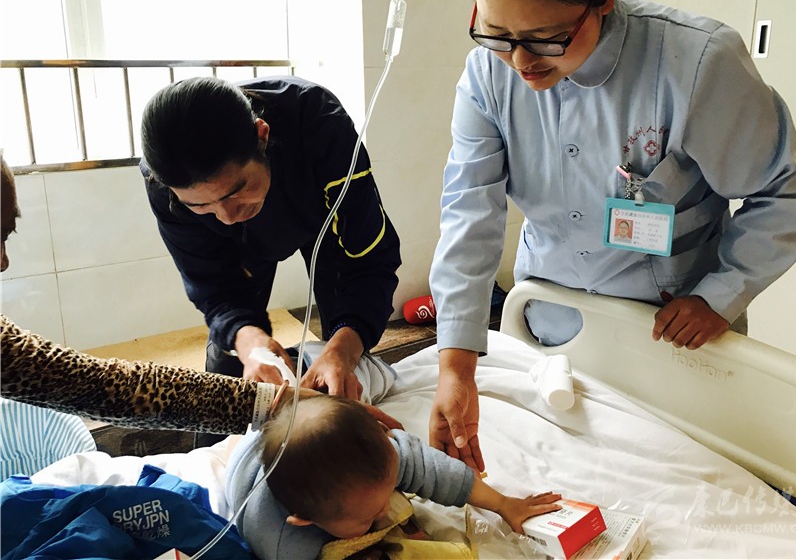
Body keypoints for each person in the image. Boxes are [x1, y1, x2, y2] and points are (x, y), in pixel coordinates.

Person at [428, 0, 796, 472]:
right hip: (552, 327)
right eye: (495, 33)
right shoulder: (488, 76)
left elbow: (782, 189)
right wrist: (456, 366)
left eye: (546, 38)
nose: (520, 62)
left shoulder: (695, 64)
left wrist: (720, 295)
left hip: (672, 338)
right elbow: (469, 213)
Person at [0, 154, 401, 443]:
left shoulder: (321, 137)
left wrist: (281, 399)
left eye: (7, 235)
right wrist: (250, 350)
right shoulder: (168, 189)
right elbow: (215, 293)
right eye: (202, 206)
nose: (4, 263)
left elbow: (104, 387)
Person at [140, 76, 401, 398]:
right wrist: (249, 341)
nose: (228, 216)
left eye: (237, 192)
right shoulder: (164, 184)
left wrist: (342, 351)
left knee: (343, 358)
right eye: (201, 206)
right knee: (233, 368)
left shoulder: (318, 123)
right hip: (239, 249)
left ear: (262, 136)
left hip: (322, 221)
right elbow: (213, 286)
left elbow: (370, 262)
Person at [225, 393, 561, 559]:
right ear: (305, 521)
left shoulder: (385, 455)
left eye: (389, 492)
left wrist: (503, 504)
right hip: (245, 461)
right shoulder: (282, 544)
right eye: (370, 517)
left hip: (294, 422)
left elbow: (439, 473)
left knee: (318, 414)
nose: (387, 510)